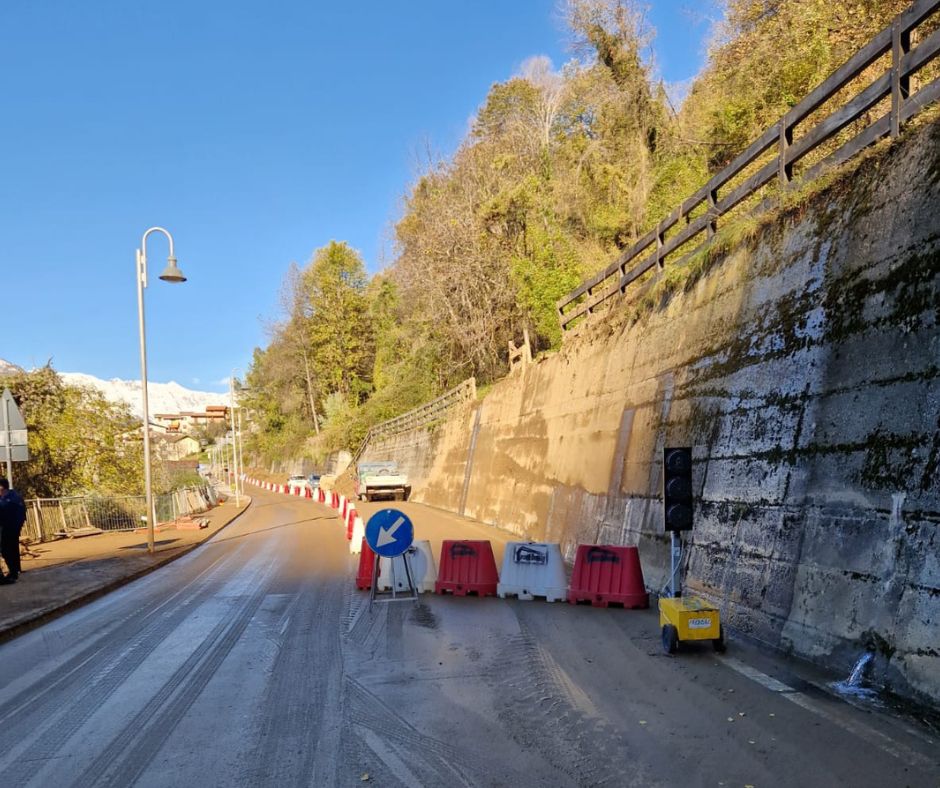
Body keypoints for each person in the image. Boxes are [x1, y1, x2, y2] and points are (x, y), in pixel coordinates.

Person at [0, 477, 26, 584]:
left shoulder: (11, 498)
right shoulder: (10, 497)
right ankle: (13, 572)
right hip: (7, 528)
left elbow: (19, 513)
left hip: (9, 528)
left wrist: (17, 527)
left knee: (8, 550)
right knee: (8, 550)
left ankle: (13, 572)